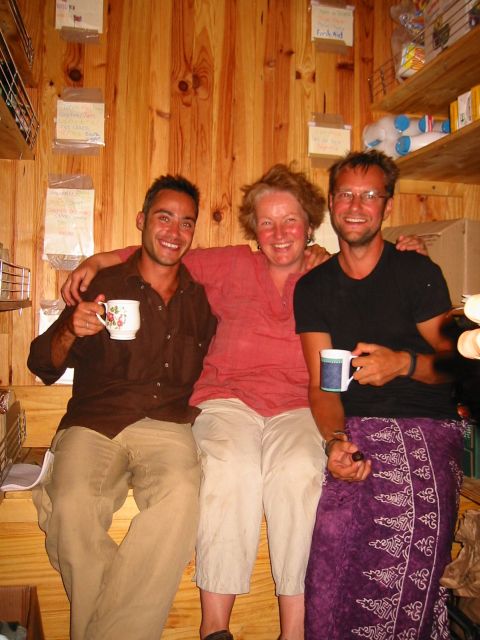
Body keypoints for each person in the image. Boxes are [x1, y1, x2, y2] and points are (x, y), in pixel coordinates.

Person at [61, 163, 426, 640]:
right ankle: (215, 628)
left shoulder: (328, 274)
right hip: (227, 400)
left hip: (299, 405)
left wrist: (408, 251)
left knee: (299, 472)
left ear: (310, 226)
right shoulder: (232, 263)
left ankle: (293, 630)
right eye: (267, 222)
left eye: (290, 221)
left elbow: (378, 275)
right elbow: (162, 254)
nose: (279, 233)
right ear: (254, 229)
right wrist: (99, 260)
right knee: (230, 467)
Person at [28, 175, 217, 640]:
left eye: (186, 223)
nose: (174, 231)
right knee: (70, 504)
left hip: (168, 425)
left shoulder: (201, 298)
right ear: (141, 220)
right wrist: (71, 328)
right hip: (95, 422)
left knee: (182, 498)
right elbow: (41, 363)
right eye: (164, 217)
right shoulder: (103, 284)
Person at [293, 150, 465, 639]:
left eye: (369, 195)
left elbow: (459, 362)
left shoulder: (416, 273)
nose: (356, 205)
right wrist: (335, 441)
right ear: (331, 203)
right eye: (346, 193)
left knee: (397, 522)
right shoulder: (313, 288)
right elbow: (322, 385)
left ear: (387, 206)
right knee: (332, 539)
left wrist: (402, 364)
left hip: (426, 425)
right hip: (357, 427)